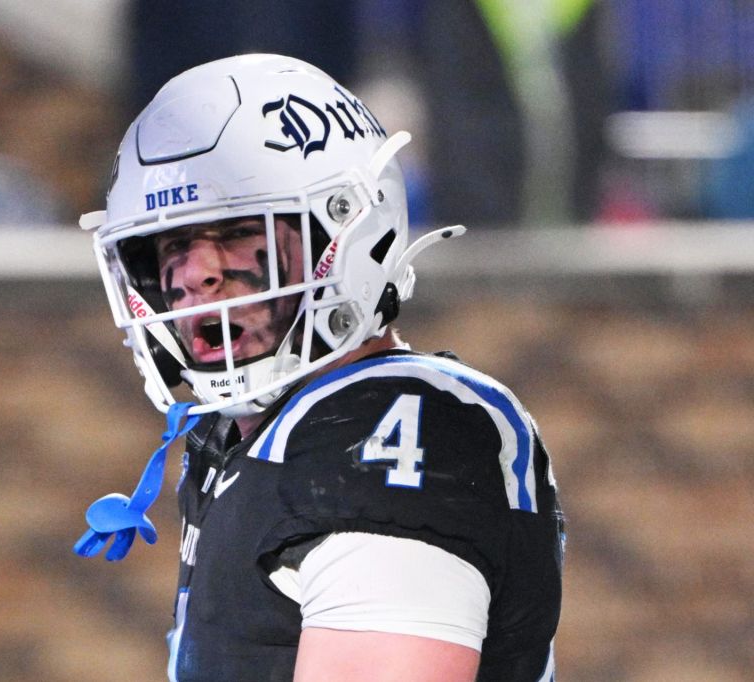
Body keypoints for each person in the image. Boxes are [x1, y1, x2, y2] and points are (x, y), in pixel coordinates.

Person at [74, 54, 564, 681]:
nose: (197, 272)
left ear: (348, 234)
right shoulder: (249, 435)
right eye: (173, 245)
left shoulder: (394, 429)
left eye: (236, 231)